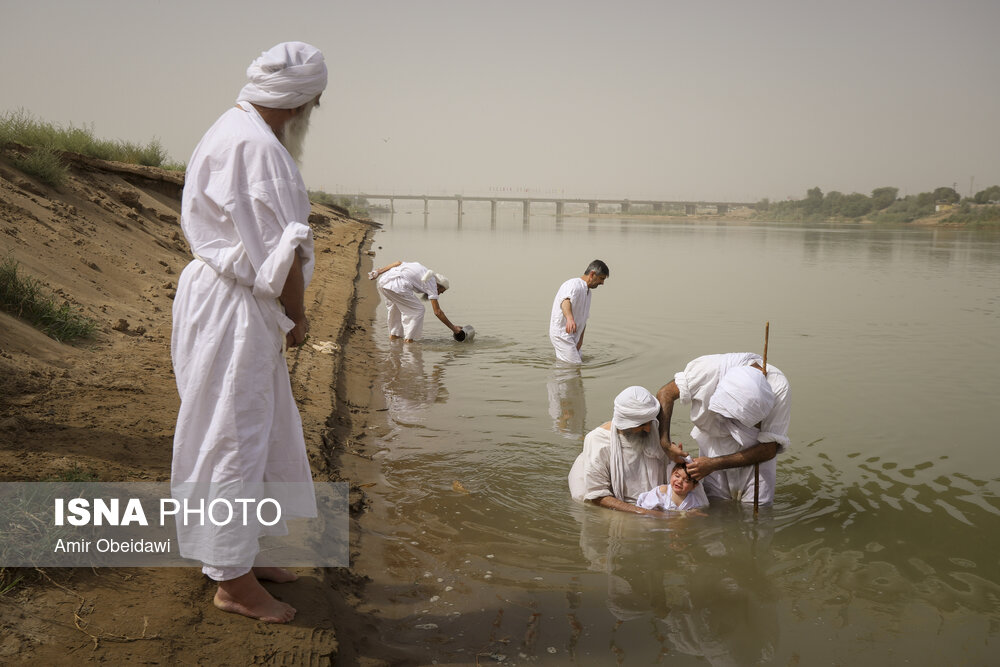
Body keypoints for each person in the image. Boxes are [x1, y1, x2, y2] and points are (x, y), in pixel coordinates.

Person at [171, 41, 328, 623]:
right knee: (232, 436)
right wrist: (298, 317)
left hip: (221, 298)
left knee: (255, 429)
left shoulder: (232, 127)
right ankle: (233, 583)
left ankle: (244, 554)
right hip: (237, 308)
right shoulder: (261, 149)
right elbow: (283, 251)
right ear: (303, 101)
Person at [656, 352, 791, 504]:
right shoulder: (707, 370)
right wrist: (665, 443)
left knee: (758, 510)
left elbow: (769, 449)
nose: (733, 423)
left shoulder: (779, 388)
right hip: (713, 444)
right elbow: (665, 394)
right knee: (715, 505)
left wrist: (714, 464)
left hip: (755, 452)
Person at [567, 386, 673, 515]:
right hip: (624, 509)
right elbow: (598, 496)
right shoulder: (598, 441)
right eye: (641, 425)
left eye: (650, 422)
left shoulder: (653, 429)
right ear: (625, 423)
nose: (649, 429)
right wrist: (645, 513)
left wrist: (677, 461)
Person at [368, 260, 462, 342]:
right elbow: (437, 312)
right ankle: (408, 340)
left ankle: (394, 337)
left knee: (395, 308)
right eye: (441, 291)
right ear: (438, 286)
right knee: (418, 310)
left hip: (384, 281)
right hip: (398, 286)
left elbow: (398, 263)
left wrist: (378, 272)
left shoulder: (424, 270)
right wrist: (454, 328)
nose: (439, 294)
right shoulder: (432, 283)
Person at [549, 259, 609, 364]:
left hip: (574, 337)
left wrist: (581, 340)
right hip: (562, 334)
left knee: (572, 366)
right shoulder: (573, 284)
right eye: (601, 278)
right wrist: (570, 319)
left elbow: (584, 319)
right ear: (592, 274)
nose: (602, 283)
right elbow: (565, 302)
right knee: (574, 367)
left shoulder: (588, 293)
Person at [634, 460, 709, 511]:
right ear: (671, 474)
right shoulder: (662, 492)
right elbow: (645, 509)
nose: (679, 481)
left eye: (686, 480)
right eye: (677, 476)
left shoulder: (693, 500)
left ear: (694, 486)